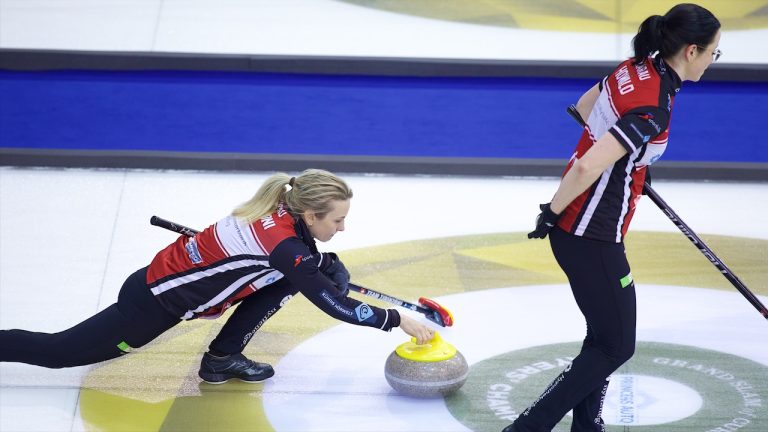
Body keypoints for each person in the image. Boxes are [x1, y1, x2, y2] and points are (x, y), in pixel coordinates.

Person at [0, 168, 434, 384]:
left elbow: (286, 264)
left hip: (156, 286)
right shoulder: (284, 245)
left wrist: (322, 264)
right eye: (337, 221)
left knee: (287, 280)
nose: (341, 228)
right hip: (150, 305)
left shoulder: (282, 216)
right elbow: (330, 303)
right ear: (308, 214)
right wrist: (394, 320)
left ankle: (222, 358)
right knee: (57, 353)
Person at [505, 4, 721, 432]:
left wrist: (632, 160)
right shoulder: (653, 107)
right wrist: (551, 210)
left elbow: (584, 107)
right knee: (617, 345)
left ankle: (587, 425)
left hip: (578, 228)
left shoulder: (638, 66)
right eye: (714, 52)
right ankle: (527, 427)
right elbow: (588, 167)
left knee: (603, 336)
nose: (715, 60)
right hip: (592, 234)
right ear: (692, 51)